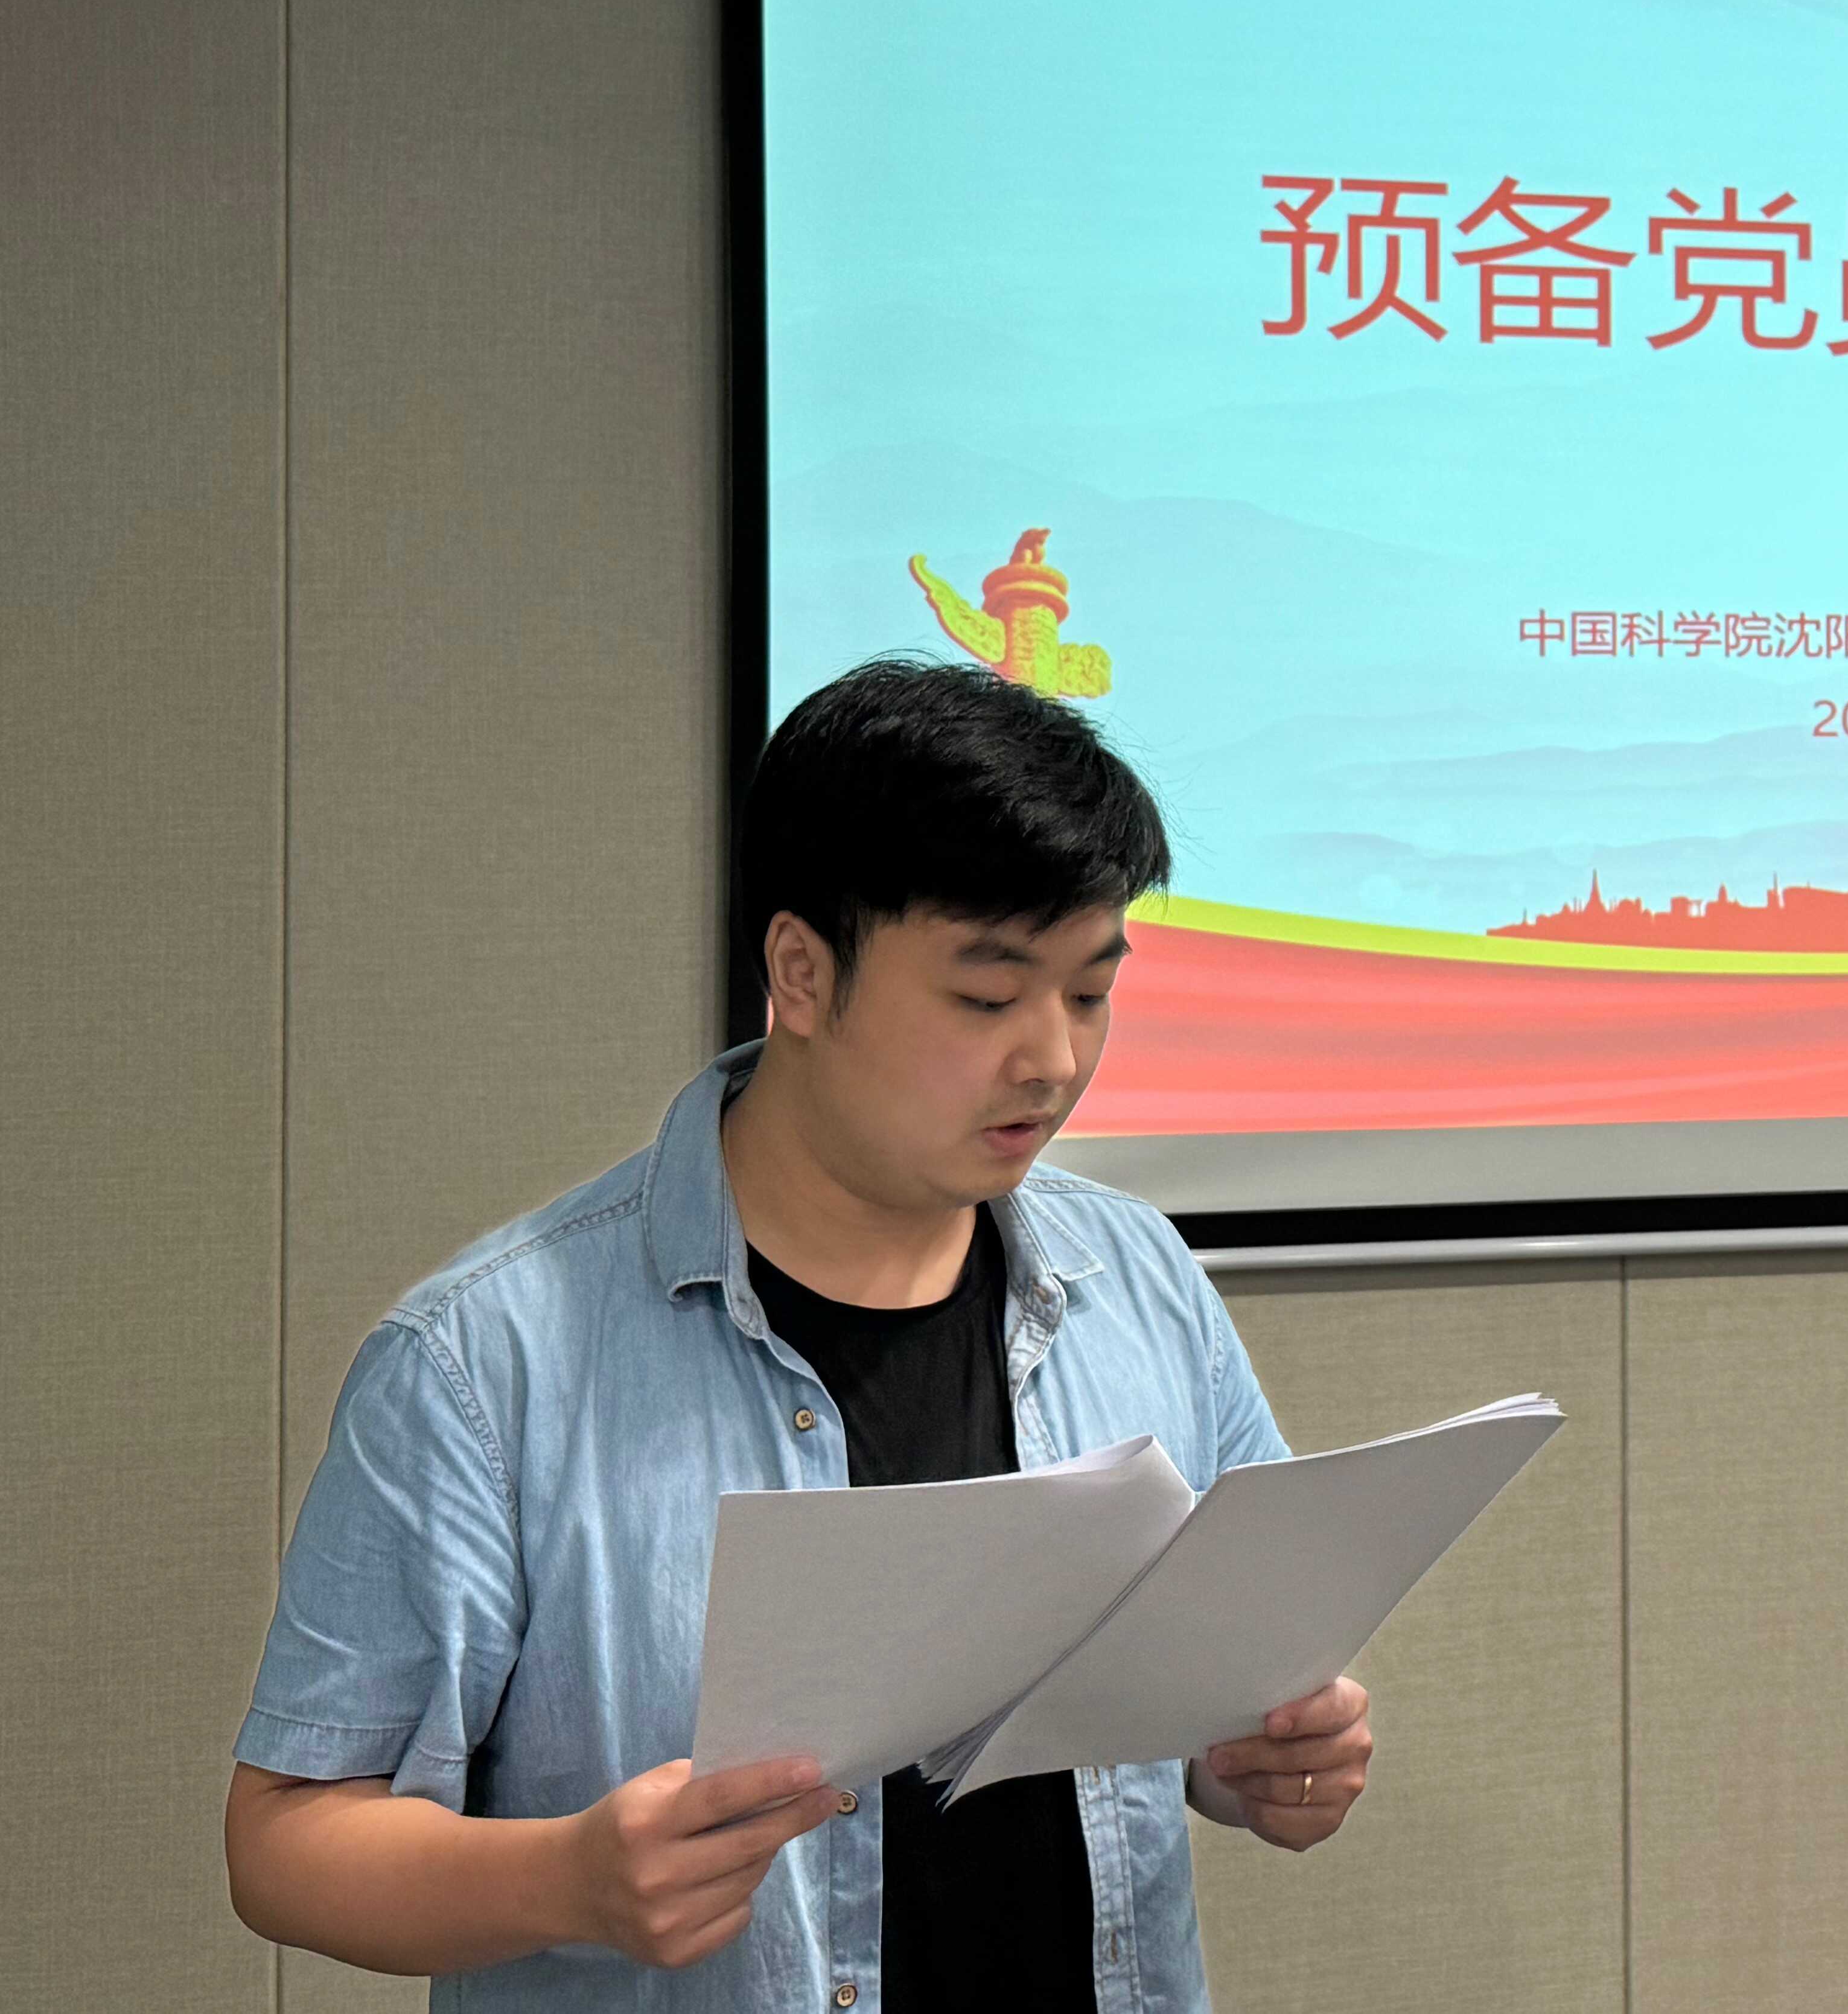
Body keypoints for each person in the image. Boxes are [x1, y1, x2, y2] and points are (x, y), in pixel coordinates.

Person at [223, 657, 1368, 2009]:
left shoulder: (1141, 1280)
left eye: (1089, 993)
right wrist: (570, 1881)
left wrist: (1256, 1760)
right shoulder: (486, 1363)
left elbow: (1221, 1681)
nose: (1054, 1061)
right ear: (802, 973)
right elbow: (286, 1843)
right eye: (988, 998)